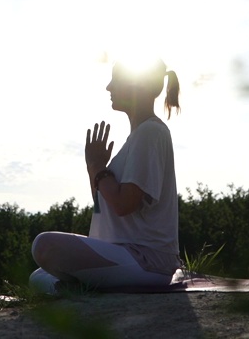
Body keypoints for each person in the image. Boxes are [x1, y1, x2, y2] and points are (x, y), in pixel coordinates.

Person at [29, 56, 182, 294]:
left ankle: (81, 289)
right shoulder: (135, 140)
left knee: (44, 245)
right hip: (125, 256)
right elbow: (103, 207)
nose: (108, 87)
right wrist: (94, 168)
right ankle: (82, 288)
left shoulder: (150, 132)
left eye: (115, 81)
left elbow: (124, 204)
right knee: (37, 277)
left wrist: (100, 169)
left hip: (146, 260)